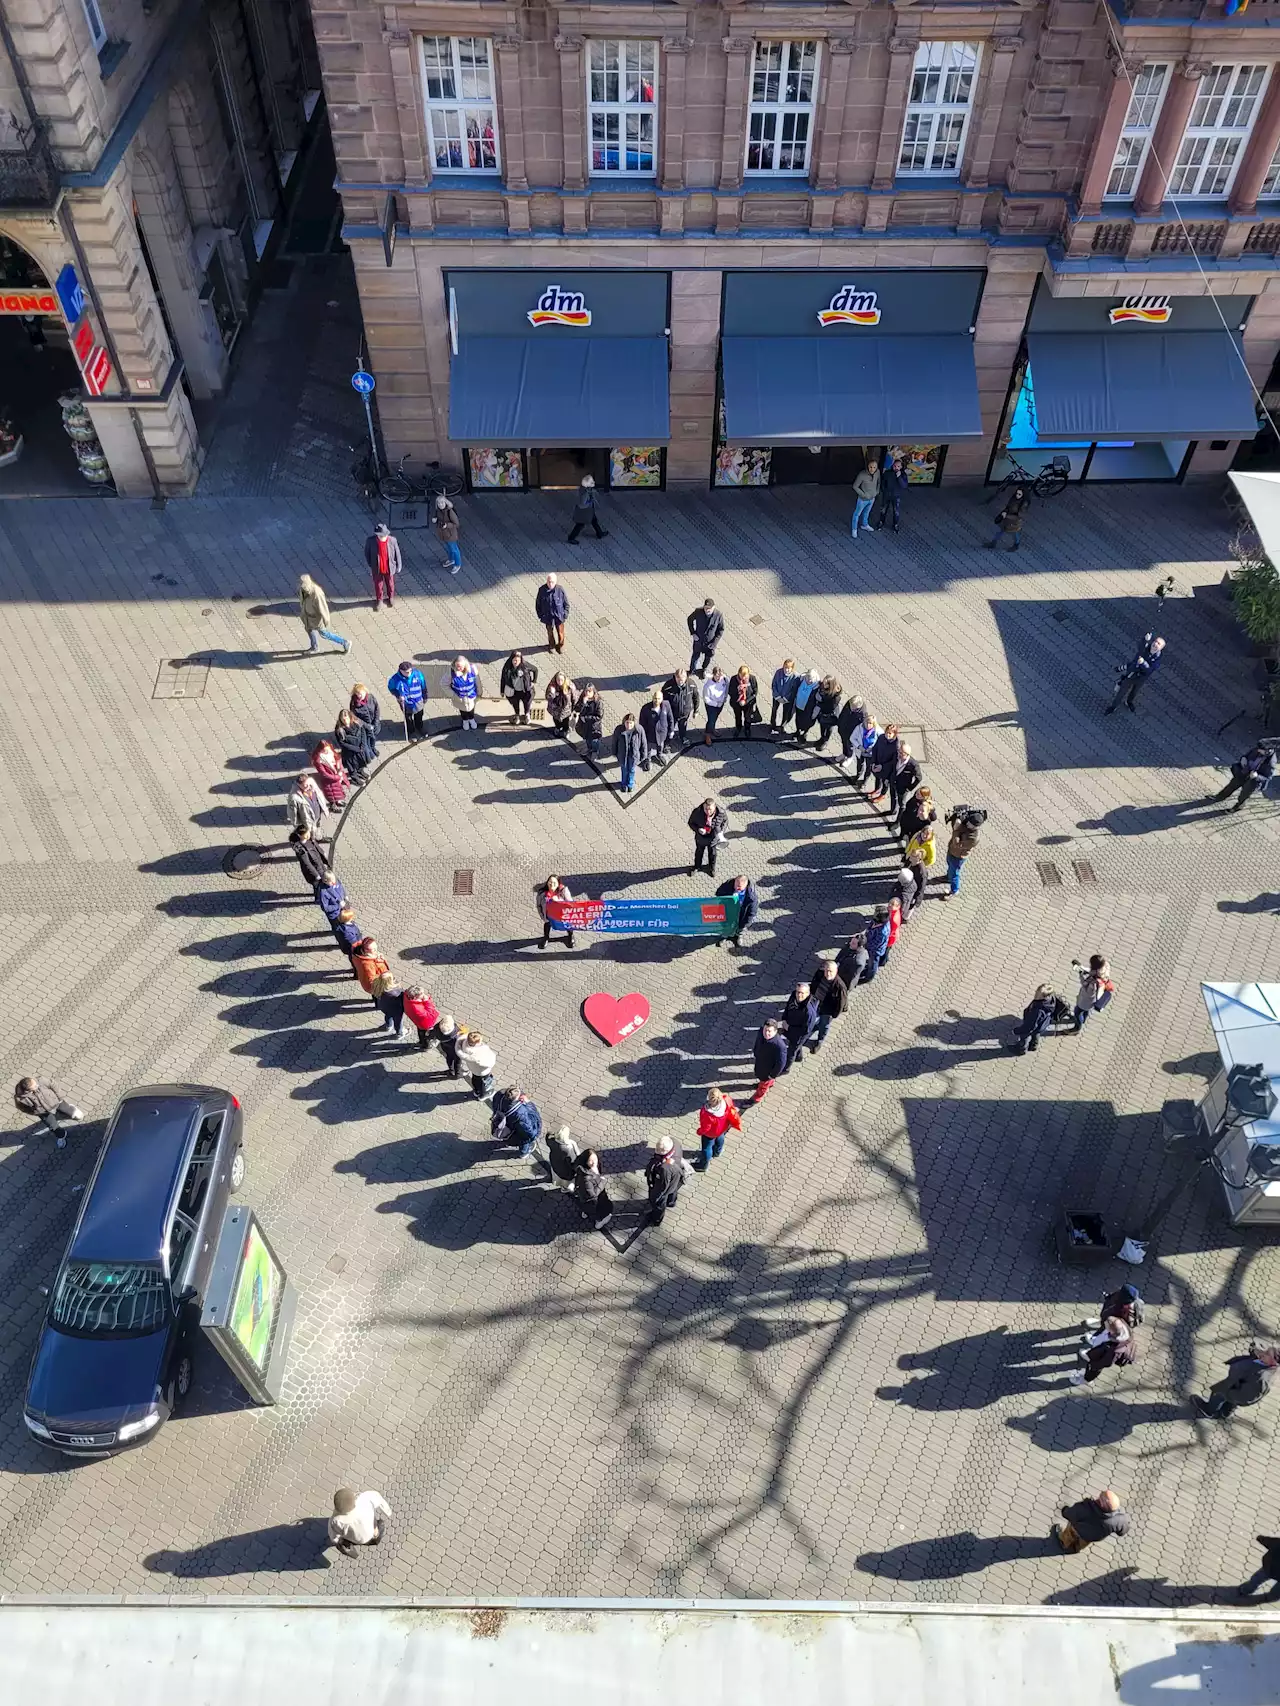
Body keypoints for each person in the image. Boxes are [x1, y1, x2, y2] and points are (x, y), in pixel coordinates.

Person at [1192, 1343, 1278, 1419]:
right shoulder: (1265, 1363)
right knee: (1231, 1402)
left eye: (1267, 1353)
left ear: (1274, 1362)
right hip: (1238, 1385)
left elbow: (1247, 1395)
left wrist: (1229, 1393)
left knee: (1219, 1394)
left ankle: (1208, 1411)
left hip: (1237, 1391)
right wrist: (1255, 1351)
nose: (1263, 1353)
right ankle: (1226, 1412)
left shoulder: (1261, 1378)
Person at [1103, 634, 1165, 715]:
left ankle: (1129, 702)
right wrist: (1145, 639)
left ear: (1161, 648)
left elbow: (1149, 670)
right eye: (1155, 641)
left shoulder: (1157, 659)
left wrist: (1143, 663)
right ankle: (1113, 707)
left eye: (1158, 644)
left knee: (1135, 691)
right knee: (1121, 692)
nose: (1155, 644)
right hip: (1131, 674)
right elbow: (1140, 646)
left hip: (1141, 678)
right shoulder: (1145, 648)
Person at [14, 1077, 85, 1147]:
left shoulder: (40, 1080)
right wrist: (36, 1112)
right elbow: (23, 1108)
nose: (37, 1085)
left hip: (57, 1103)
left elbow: (53, 1084)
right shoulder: (20, 1099)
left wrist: (60, 1097)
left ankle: (70, 1109)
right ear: (28, 1090)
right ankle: (62, 1136)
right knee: (53, 1127)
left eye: (35, 1084)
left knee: (76, 1115)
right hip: (44, 1113)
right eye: (35, 1086)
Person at [1052, 1490, 1128, 1554]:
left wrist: (1065, 1510)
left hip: (1078, 1530)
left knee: (1070, 1534)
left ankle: (1064, 1543)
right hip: (1093, 1537)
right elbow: (1122, 1532)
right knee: (1083, 1542)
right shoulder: (1120, 1519)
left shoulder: (1085, 1508)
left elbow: (1068, 1514)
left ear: (1101, 1502)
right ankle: (1076, 1548)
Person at [1068, 1315, 1136, 1387]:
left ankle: (1086, 1380)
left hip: (1098, 1359)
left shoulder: (1115, 1350)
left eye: (1106, 1324)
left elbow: (1105, 1362)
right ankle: (1093, 1342)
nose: (1104, 1323)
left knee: (1093, 1370)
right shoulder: (1122, 1327)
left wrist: (1093, 1363)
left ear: (1111, 1331)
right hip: (1100, 1347)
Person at [1209, 741, 1276, 811]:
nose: (1258, 750)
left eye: (1260, 750)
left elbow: (1268, 777)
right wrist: (1243, 759)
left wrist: (1257, 776)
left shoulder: (1271, 763)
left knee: (1244, 795)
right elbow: (1246, 756)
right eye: (1258, 749)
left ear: (1268, 751)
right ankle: (1219, 797)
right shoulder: (1256, 750)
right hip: (1244, 772)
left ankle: (1238, 807)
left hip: (1253, 781)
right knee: (1231, 785)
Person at [328, 1487, 392, 1554]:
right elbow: (378, 1498)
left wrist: (337, 1541)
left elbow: (334, 1537)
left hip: (358, 1540)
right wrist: (388, 1512)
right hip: (371, 1532)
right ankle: (376, 1537)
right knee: (378, 1526)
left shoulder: (336, 1521)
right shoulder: (365, 1499)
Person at [298, 574, 350, 655]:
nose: (301, 586)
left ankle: (345, 642)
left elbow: (323, 608)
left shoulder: (317, 593)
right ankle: (315, 647)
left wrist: (326, 621)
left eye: (303, 585)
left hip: (316, 619)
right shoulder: (303, 589)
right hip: (308, 616)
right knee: (309, 629)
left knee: (324, 634)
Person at [694, 1086, 740, 1170]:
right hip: (723, 1127)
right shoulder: (726, 1100)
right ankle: (718, 1152)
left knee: (706, 1148)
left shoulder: (707, 1113)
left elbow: (706, 1128)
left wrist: (699, 1132)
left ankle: (703, 1165)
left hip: (711, 1133)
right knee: (720, 1138)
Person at [944, 805, 985, 898]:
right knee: (950, 866)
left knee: (954, 874)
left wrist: (956, 829)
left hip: (958, 856)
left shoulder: (973, 838)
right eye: (968, 821)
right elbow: (957, 827)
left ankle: (954, 891)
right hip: (951, 851)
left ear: (976, 826)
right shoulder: (966, 824)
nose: (967, 824)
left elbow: (957, 844)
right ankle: (947, 877)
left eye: (970, 824)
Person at [809, 959, 849, 1051]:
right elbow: (813, 984)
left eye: (830, 971)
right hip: (816, 1003)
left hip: (827, 1010)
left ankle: (819, 1040)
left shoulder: (840, 986)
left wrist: (834, 1015)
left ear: (836, 971)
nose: (827, 973)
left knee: (824, 1025)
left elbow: (841, 1003)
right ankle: (814, 1027)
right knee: (811, 1019)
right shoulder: (820, 974)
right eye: (826, 970)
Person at [491, 1087, 543, 1156]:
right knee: (524, 1141)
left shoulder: (499, 1095)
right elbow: (529, 1132)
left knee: (507, 1137)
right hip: (515, 1133)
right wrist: (528, 1103)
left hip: (503, 1127)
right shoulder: (520, 1112)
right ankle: (524, 1153)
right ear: (516, 1099)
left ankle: (506, 1142)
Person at [646, 1135, 684, 1224]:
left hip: (664, 1183)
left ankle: (656, 1219)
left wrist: (656, 1196)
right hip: (675, 1179)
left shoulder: (665, 1168)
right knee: (673, 1190)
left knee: (659, 1202)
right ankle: (671, 1202)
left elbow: (663, 1186)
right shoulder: (675, 1142)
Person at [1070, 954, 1114, 1031]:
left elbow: (1088, 992)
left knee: (1077, 1012)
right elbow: (1092, 971)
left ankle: (1077, 1027)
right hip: (1091, 1002)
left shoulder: (1094, 983)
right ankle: (1083, 1019)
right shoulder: (1105, 967)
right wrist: (1082, 968)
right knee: (1085, 1012)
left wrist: (1081, 976)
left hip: (1086, 1001)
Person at [573, 1148, 615, 1228]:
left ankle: (586, 1213)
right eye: (590, 1160)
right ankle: (600, 1221)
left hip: (584, 1200)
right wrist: (602, 1182)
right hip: (595, 1201)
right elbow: (593, 1195)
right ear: (586, 1161)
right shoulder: (586, 1178)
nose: (594, 1162)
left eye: (595, 1159)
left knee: (588, 1209)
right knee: (601, 1211)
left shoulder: (582, 1170)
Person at [364, 521, 402, 608]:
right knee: (378, 585)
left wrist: (399, 565)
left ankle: (391, 597)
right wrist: (371, 564)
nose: (382, 537)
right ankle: (379, 599)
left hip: (389, 567)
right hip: (377, 568)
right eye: (380, 536)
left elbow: (397, 553)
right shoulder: (371, 541)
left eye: (383, 536)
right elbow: (367, 554)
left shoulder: (392, 540)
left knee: (390, 584)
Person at [689, 797, 729, 877]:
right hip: (701, 837)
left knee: (713, 854)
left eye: (710, 809)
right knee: (699, 853)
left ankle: (711, 868)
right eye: (706, 809)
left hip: (714, 838)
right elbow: (691, 823)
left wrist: (721, 831)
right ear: (703, 806)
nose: (708, 811)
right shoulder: (697, 812)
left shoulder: (721, 812)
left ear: (714, 807)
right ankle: (697, 867)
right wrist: (698, 830)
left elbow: (725, 821)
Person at [1012, 985, 1058, 1054]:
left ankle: (1021, 1049)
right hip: (1043, 1023)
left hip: (1035, 1023)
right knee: (1037, 1032)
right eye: (1037, 992)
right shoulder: (1051, 998)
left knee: (1025, 1035)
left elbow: (1030, 1027)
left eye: (1039, 994)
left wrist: (1017, 1031)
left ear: (1044, 996)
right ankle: (1034, 1045)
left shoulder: (1037, 1011)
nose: (1036, 995)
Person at [751, 1020, 789, 1104]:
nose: (766, 1033)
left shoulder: (780, 1046)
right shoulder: (761, 1032)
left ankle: (756, 1099)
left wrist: (772, 1075)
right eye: (765, 1030)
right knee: (763, 1081)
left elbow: (780, 1064)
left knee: (763, 1086)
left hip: (768, 1071)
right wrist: (755, 1052)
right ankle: (769, 1084)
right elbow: (758, 1042)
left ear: (775, 1031)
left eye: (769, 1031)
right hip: (760, 1063)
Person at [334, 708, 375, 785]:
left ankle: (360, 772)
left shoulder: (357, 723)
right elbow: (342, 743)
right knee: (352, 767)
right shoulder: (340, 730)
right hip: (350, 752)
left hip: (360, 748)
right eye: (343, 720)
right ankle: (354, 778)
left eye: (346, 719)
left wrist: (363, 745)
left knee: (361, 763)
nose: (345, 721)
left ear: (350, 717)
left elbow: (363, 733)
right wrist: (356, 749)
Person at [388, 662, 427, 741]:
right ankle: (411, 732)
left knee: (419, 715)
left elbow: (423, 685)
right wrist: (398, 695)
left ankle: (419, 727)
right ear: (401, 671)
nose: (408, 673)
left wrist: (425, 695)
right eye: (406, 672)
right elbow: (391, 688)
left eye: (410, 671)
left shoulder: (418, 674)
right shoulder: (395, 679)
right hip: (406, 703)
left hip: (418, 700)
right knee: (408, 718)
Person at [782, 983, 819, 1067]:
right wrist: (784, 1018)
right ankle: (799, 1057)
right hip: (790, 1026)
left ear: (807, 994)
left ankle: (786, 1068)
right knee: (796, 1047)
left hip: (798, 1035)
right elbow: (788, 1007)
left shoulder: (809, 1012)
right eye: (798, 992)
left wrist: (789, 1028)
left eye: (802, 993)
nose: (799, 995)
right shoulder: (793, 996)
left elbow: (806, 1030)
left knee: (791, 1051)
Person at [716, 874, 758, 948]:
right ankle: (725, 936)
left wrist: (745, 924)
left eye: (739, 887)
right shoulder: (728, 885)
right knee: (726, 927)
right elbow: (718, 893)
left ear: (745, 886)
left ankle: (737, 936)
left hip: (741, 915)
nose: (737, 887)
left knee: (740, 929)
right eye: (736, 885)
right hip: (728, 913)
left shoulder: (751, 896)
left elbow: (752, 912)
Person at [456, 1030, 497, 1102]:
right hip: (482, 1071)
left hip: (473, 1069)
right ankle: (482, 1095)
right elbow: (489, 1062)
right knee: (483, 1083)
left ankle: (476, 1091)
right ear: (476, 1043)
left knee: (475, 1079)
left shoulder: (464, 1044)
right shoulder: (479, 1053)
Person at [688, 597, 725, 677]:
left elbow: (721, 630)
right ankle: (692, 670)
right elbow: (689, 619)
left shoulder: (718, 615)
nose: (707, 610)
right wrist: (693, 633)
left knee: (707, 658)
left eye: (709, 608)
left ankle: (704, 669)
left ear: (713, 607)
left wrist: (714, 643)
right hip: (699, 641)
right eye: (706, 608)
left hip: (710, 643)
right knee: (695, 656)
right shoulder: (698, 612)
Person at [639, 689, 675, 769]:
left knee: (660, 745)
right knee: (648, 748)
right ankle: (647, 760)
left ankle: (659, 755)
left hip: (662, 733)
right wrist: (642, 735)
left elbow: (670, 718)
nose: (657, 700)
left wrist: (671, 730)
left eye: (659, 698)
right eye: (655, 698)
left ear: (662, 699)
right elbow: (642, 723)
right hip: (650, 734)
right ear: (652, 698)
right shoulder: (645, 708)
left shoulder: (666, 705)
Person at [537, 874, 575, 949]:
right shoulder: (542, 893)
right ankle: (546, 938)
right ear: (547, 882)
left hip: (562, 915)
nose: (552, 885)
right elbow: (539, 905)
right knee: (547, 925)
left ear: (558, 884)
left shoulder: (563, 890)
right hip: (549, 915)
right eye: (550, 882)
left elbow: (570, 903)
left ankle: (570, 936)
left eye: (554, 883)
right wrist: (543, 916)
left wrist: (558, 900)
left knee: (568, 925)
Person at [662, 668, 699, 746]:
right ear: (675, 677)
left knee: (683, 727)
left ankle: (683, 737)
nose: (680, 681)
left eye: (682, 679)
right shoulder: (668, 686)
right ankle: (667, 743)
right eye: (678, 679)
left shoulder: (691, 684)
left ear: (686, 677)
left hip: (685, 713)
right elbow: (663, 700)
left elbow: (696, 697)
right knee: (670, 728)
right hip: (672, 713)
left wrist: (696, 710)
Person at [352, 938, 393, 1007]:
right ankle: (379, 1005)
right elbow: (372, 981)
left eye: (376, 948)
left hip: (370, 983)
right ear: (366, 950)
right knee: (378, 996)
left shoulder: (361, 955)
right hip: (376, 986)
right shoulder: (367, 965)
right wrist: (384, 977)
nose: (376, 951)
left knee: (375, 995)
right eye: (373, 949)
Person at [500, 650, 538, 725]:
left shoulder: (525, 665)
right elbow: (503, 679)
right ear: (511, 659)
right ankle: (517, 715)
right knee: (515, 704)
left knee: (527, 703)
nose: (516, 662)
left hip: (525, 690)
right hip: (514, 691)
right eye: (514, 660)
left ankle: (527, 715)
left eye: (518, 660)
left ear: (520, 660)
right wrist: (502, 690)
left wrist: (534, 681)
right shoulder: (507, 668)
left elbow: (535, 670)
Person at [567, 477, 607, 545]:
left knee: (594, 520)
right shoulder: (585, 492)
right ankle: (571, 538)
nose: (593, 483)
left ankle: (599, 533)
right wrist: (590, 501)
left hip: (589, 509)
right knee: (580, 524)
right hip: (585, 510)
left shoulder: (587, 489)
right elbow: (583, 502)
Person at [891, 743, 923, 828]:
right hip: (893, 782)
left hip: (903, 787)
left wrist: (910, 788)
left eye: (902, 753)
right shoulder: (896, 756)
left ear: (908, 754)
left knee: (902, 805)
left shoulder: (913, 764)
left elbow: (919, 778)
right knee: (893, 796)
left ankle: (898, 822)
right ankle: (893, 810)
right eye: (899, 752)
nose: (900, 754)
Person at [868, 723, 901, 805]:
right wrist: (873, 762)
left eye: (890, 733)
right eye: (886, 732)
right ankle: (877, 789)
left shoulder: (896, 745)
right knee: (877, 778)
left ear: (894, 734)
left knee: (885, 782)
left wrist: (882, 766)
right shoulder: (881, 737)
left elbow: (894, 761)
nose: (887, 735)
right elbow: (875, 749)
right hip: (877, 763)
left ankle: (882, 795)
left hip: (887, 769)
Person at [614, 712, 647, 794]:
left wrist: (643, 755)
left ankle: (630, 785)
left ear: (634, 723)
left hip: (634, 755)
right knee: (624, 770)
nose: (629, 725)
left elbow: (643, 743)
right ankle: (623, 784)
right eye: (627, 723)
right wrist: (614, 753)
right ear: (624, 722)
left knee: (632, 770)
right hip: (623, 755)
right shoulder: (619, 729)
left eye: (630, 723)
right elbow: (614, 742)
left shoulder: (639, 730)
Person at [311, 741, 350, 809]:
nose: (327, 751)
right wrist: (337, 777)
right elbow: (324, 774)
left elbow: (338, 759)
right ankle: (333, 806)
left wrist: (339, 769)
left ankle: (338, 801)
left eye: (328, 749)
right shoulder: (319, 760)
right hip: (329, 781)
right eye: (325, 750)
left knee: (338, 791)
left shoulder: (331, 753)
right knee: (331, 794)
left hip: (336, 776)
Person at [536, 572, 570, 651]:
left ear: (555, 582)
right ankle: (551, 645)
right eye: (549, 581)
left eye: (552, 582)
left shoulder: (560, 589)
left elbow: (566, 603)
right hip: (548, 617)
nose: (550, 583)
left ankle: (560, 646)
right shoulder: (542, 590)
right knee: (550, 633)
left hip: (559, 617)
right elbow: (538, 604)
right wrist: (541, 615)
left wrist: (565, 615)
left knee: (560, 633)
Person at [1239, 1536, 1280, 1600]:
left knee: (1257, 1579)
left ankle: (1246, 1590)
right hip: (1272, 1569)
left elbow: (1269, 1542)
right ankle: (1274, 1596)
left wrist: (1260, 1538)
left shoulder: (1277, 1543)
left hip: (1269, 1568)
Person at [402, 985, 440, 1050]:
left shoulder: (406, 996)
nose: (423, 995)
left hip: (418, 1022)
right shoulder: (417, 1008)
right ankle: (426, 1046)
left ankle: (421, 1042)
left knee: (421, 1032)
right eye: (421, 994)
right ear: (415, 997)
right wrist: (427, 1001)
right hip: (425, 1024)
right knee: (426, 1035)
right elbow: (430, 1015)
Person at [449, 655, 482, 731]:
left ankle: (471, 719)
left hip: (471, 696)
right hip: (459, 697)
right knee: (462, 710)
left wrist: (479, 692)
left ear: (465, 665)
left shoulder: (472, 669)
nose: (458, 668)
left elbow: (477, 681)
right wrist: (452, 694)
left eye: (460, 666)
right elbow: (443, 684)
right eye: (457, 666)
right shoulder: (451, 673)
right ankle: (465, 721)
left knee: (471, 709)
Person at [899, 784, 936, 849]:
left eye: (919, 794)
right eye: (917, 792)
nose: (916, 795)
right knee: (903, 831)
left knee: (911, 840)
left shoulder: (926, 806)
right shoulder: (915, 798)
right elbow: (908, 805)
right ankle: (901, 837)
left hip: (915, 827)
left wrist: (930, 811)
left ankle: (907, 849)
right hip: (906, 820)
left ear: (924, 797)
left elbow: (934, 818)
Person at [837, 694, 867, 771]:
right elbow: (843, 714)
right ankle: (844, 754)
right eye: (851, 705)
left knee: (850, 746)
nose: (851, 708)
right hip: (843, 729)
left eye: (853, 707)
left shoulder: (862, 714)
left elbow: (862, 727)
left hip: (851, 733)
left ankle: (849, 757)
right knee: (844, 743)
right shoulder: (850, 703)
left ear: (858, 706)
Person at [433, 494, 462, 574]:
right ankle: (451, 560)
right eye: (439, 503)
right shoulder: (438, 511)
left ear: (445, 503)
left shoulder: (450, 511)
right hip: (444, 534)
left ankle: (457, 564)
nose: (440, 504)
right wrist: (435, 519)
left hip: (451, 534)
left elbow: (456, 524)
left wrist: (447, 525)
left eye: (442, 503)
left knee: (454, 549)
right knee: (449, 548)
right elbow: (438, 518)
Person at [547, 1126, 581, 1192]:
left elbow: (548, 1137)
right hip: (565, 1170)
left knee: (556, 1174)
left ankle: (558, 1183)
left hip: (554, 1163)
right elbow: (573, 1162)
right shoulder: (568, 1149)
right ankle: (565, 1188)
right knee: (567, 1181)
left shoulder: (551, 1141)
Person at [851, 459, 880, 537]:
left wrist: (877, 491)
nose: (872, 469)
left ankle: (865, 525)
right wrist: (863, 495)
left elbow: (878, 482)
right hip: (863, 499)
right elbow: (855, 486)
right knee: (857, 514)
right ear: (868, 466)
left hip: (872, 498)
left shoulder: (877, 472)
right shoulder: (862, 475)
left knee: (867, 512)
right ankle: (854, 529)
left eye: (874, 467)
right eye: (870, 467)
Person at [813, 675, 842, 752]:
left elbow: (830, 707)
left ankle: (826, 740)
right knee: (822, 727)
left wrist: (820, 702)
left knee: (828, 729)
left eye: (826, 683)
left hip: (830, 716)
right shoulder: (823, 688)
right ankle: (822, 738)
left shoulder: (836, 697)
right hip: (823, 714)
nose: (823, 684)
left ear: (830, 685)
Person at [791, 670, 821, 744]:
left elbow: (818, 702)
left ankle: (804, 733)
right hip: (799, 706)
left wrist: (815, 713)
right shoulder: (801, 680)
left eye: (812, 678)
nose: (809, 680)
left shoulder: (817, 687)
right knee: (798, 719)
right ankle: (797, 731)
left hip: (809, 710)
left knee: (807, 723)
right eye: (808, 677)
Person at [576, 683, 605, 760]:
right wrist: (583, 703)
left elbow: (599, 716)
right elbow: (577, 709)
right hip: (584, 726)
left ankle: (595, 751)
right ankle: (589, 749)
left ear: (593, 692)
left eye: (589, 691)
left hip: (594, 726)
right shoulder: (583, 698)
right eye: (586, 691)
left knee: (594, 741)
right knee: (587, 739)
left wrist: (586, 718)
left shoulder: (598, 702)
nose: (587, 693)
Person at [730, 664, 759, 740]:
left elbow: (755, 692)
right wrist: (738, 697)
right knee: (738, 716)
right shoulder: (733, 679)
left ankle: (747, 729)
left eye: (745, 676)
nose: (743, 678)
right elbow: (730, 692)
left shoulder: (752, 679)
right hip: (737, 703)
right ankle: (738, 727)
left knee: (747, 717)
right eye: (741, 675)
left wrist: (745, 701)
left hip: (748, 704)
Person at [702, 665, 729, 744]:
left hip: (720, 704)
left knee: (715, 718)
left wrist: (725, 697)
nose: (719, 678)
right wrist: (716, 704)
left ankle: (712, 729)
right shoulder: (708, 686)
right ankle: (707, 734)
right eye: (717, 676)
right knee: (711, 720)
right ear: (713, 675)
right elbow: (706, 699)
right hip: (711, 706)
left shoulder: (724, 680)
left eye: (720, 676)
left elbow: (727, 687)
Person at [883, 455, 909, 535]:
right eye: (894, 466)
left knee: (896, 512)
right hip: (887, 495)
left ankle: (895, 525)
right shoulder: (888, 473)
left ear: (901, 467)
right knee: (883, 510)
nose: (896, 467)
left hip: (896, 496)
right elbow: (883, 483)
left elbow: (904, 485)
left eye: (898, 466)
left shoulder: (903, 475)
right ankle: (881, 522)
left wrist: (899, 477)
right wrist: (884, 491)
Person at [771, 659, 800, 730]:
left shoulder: (796, 677)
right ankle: (772, 724)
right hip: (777, 697)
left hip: (787, 699)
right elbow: (774, 684)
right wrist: (777, 696)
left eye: (788, 668)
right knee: (774, 710)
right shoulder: (778, 672)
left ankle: (782, 726)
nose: (786, 670)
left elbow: (794, 690)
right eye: (785, 667)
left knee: (786, 713)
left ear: (792, 668)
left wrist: (785, 699)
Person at [545, 671, 577, 736]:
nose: (560, 682)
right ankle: (558, 727)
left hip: (566, 710)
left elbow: (574, 698)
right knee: (556, 720)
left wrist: (574, 708)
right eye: (558, 680)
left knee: (566, 722)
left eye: (561, 680)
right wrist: (552, 694)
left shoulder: (570, 686)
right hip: (555, 710)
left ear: (564, 679)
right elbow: (547, 698)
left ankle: (566, 730)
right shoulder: (552, 686)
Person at [431, 1012, 462, 1078]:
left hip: (445, 1047)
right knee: (457, 1061)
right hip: (456, 1050)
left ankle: (451, 1070)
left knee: (449, 1058)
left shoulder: (437, 1029)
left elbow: (431, 1033)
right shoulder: (455, 1035)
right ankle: (458, 1074)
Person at [865, 908, 891, 978]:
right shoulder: (876, 921)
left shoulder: (882, 932)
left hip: (875, 951)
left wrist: (865, 944)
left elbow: (875, 944)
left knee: (873, 963)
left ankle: (870, 976)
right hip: (870, 945)